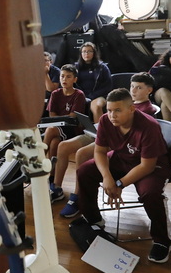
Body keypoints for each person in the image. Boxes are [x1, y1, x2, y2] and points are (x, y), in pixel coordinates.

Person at [73, 88, 171, 263]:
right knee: (85, 171)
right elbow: (99, 152)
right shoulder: (105, 121)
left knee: (150, 194)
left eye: (118, 110)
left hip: (151, 166)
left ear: (132, 109)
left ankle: (162, 241)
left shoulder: (149, 126)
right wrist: (107, 178)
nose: (112, 115)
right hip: (122, 159)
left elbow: (146, 166)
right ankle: (93, 218)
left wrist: (118, 184)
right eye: (109, 110)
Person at [56, 73, 157, 218]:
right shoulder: (124, 104)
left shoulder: (145, 111)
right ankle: (56, 188)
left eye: (139, 87)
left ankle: (77, 196)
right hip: (101, 132)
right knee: (63, 146)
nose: (134, 90)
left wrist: (117, 183)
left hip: (116, 143)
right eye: (132, 86)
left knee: (82, 154)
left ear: (149, 90)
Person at [44, 64, 86, 202]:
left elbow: (72, 117)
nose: (64, 79)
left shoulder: (78, 94)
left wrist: (60, 119)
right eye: (62, 76)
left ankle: (39, 158)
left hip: (72, 129)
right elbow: (51, 114)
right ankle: (53, 179)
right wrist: (60, 119)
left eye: (68, 77)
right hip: (59, 128)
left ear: (74, 79)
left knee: (50, 130)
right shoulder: (55, 93)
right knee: (55, 142)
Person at [75, 42, 112, 122]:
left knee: (96, 106)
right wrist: (83, 95)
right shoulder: (76, 67)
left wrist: (92, 96)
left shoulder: (102, 67)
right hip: (81, 96)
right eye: (84, 51)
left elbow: (108, 87)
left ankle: (99, 130)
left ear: (94, 53)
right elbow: (73, 84)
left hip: (99, 95)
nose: (86, 53)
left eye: (89, 51)